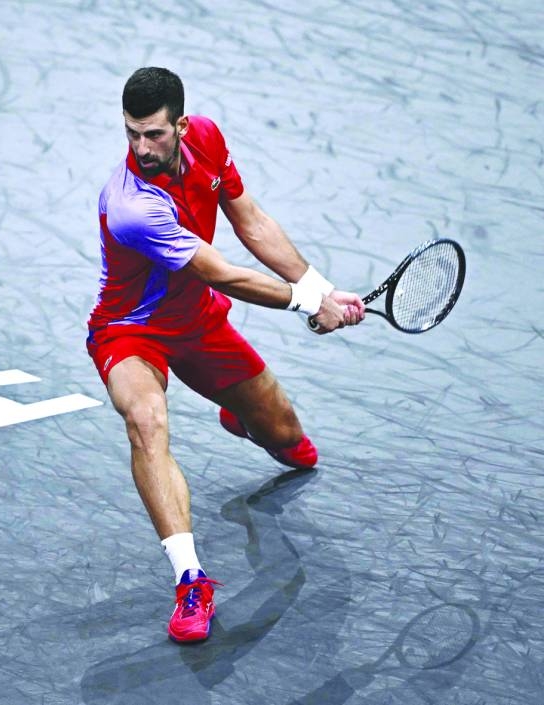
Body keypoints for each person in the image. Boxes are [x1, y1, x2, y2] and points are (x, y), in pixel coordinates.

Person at [85, 67, 365, 643]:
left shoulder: (208, 139)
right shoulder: (133, 205)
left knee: (293, 447)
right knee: (145, 420)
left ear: (182, 126)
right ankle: (191, 580)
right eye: (132, 134)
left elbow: (252, 222)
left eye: (154, 135)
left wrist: (322, 288)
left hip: (199, 325)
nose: (142, 148)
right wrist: (306, 302)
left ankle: (241, 413)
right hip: (130, 333)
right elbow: (225, 274)